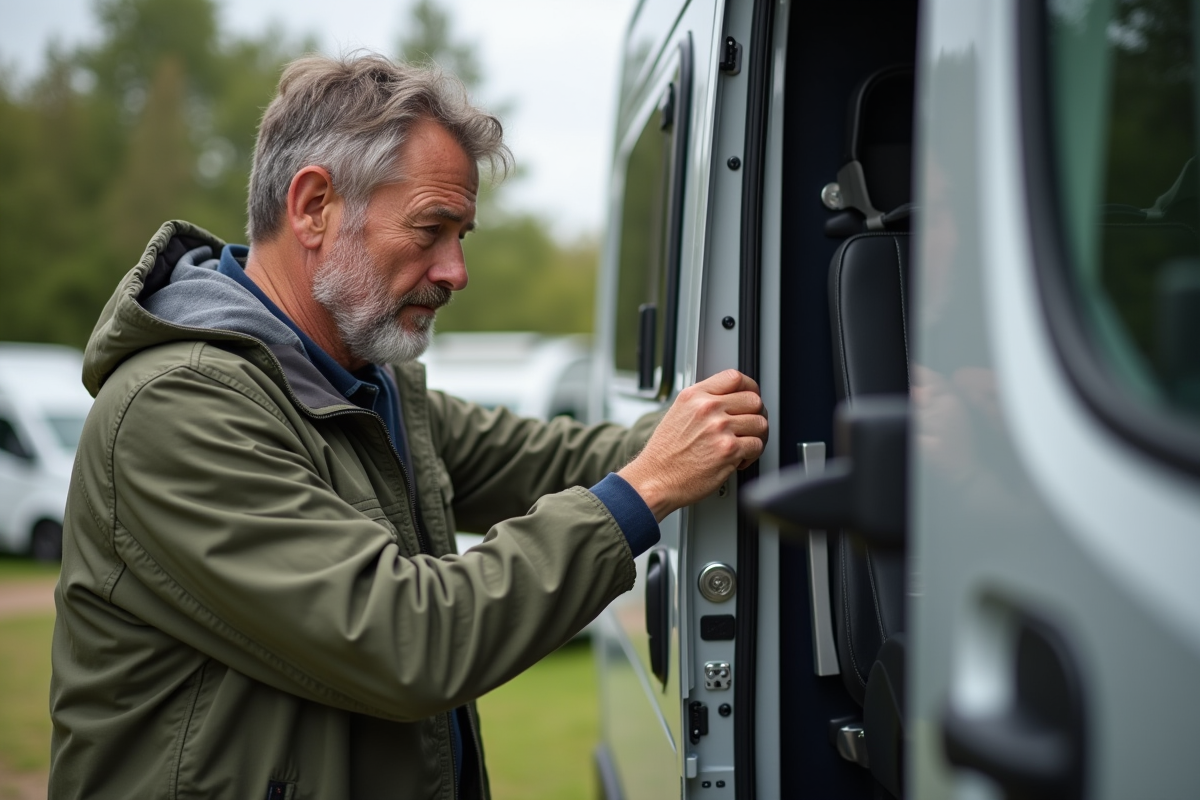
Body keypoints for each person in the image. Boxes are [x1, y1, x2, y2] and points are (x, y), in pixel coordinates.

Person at [48, 54, 768, 799]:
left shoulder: (369, 388)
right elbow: (409, 640)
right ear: (314, 206)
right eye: (431, 228)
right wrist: (645, 491)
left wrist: (741, 417)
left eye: (463, 235)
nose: (456, 270)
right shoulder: (179, 407)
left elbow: (556, 458)